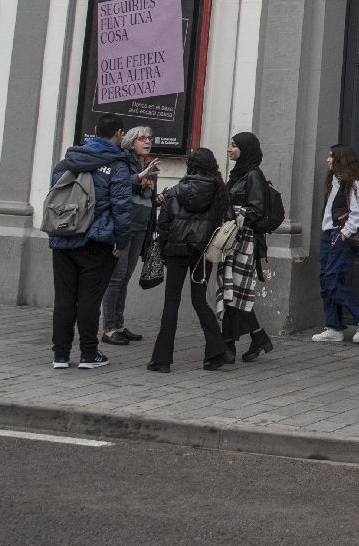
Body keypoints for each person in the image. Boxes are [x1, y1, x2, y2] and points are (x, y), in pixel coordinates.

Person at [49, 114, 133, 370]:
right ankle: (88, 354)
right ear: (118, 133)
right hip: (97, 241)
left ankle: (60, 355)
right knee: (89, 300)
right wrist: (122, 241)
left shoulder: (67, 162)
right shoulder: (117, 166)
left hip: (63, 237)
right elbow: (121, 207)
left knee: (64, 298)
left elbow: (55, 195)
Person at [147, 147, 230, 373]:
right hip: (203, 253)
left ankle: (162, 359)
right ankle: (216, 351)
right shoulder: (219, 191)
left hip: (176, 251)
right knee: (199, 300)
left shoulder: (174, 191)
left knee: (171, 302)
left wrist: (164, 251)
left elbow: (162, 226)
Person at [312, 144, 359, 344]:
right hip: (328, 234)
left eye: (331, 156)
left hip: (339, 235)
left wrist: (343, 234)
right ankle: (333, 327)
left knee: (332, 280)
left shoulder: (353, 183)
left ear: (341, 159)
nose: (327, 160)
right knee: (326, 280)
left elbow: (358, 214)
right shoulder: (334, 180)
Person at [101, 125, 160, 348]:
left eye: (149, 138)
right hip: (123, 226)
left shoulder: (151, 165)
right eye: (141, 138)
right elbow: (118, 187)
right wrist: (139, 177)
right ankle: (108, 328)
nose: (147, 142)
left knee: (125, 277)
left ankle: (119, 324)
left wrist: (159, 199)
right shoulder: (122, 162)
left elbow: (148, 198)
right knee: (116, 278)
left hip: (141, 227)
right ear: (130, 142)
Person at [218, 131, 273, 363]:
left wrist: (234, 216)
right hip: (233, 240)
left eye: (234, 145)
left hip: (245, 241)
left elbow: (257, 211)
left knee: (234, 291)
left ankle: (229, 345)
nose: (230, 149)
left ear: (246, 149)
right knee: (232, 290)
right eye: (230, 144)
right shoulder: (238, 173)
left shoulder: (253, 175)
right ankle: (257, 337)